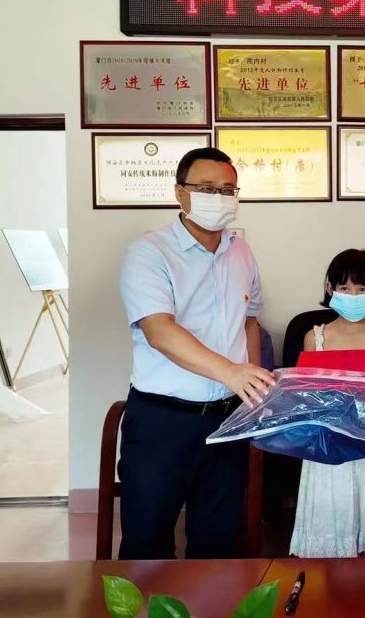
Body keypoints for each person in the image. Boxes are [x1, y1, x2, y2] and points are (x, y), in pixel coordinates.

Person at [117, 147, 275, 560]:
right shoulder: (148, 252)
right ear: (180, 193)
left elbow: (249, 321)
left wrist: (252, 385)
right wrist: (231, 373)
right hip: (162, 421)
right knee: (147, 543)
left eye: (227, 189)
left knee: (218, 543)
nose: (218, 198)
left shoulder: (241, 251)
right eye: (206, 188)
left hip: (227, 420)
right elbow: (159, 331)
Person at [289, 249, 365, 558]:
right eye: (345, 287)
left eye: (362, 288)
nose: (353, 295)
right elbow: (306, 391)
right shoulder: (314, 338)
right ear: (330, 288)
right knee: (329, 509)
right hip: (326, 441)